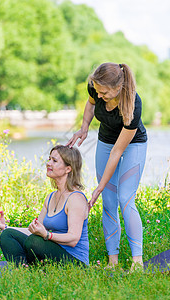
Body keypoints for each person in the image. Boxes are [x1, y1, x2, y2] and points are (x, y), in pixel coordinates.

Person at [67, 62, 147, 270]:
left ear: (118, 88)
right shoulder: (96, 87)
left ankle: (137, 261)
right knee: (108, 201)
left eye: (104, 92)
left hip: (132, 145)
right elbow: (91, 103)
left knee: (125, 198)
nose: (99, 95)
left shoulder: (133, 104)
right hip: (106, 140)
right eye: (97, 90)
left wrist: (99, 186)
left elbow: (117, 152)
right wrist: (84, 128)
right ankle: (113, 261)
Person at [0, 145, 89, 266]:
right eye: (49, 159)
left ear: (68, 169)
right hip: (52, 253)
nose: (48, 163)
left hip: (75, 262)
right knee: (7, 235)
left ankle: (33, 269)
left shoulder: (76, 199)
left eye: (54, 161)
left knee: (34, 241)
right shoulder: (50, 197)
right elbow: (35, 231)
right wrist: (5, 227)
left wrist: (47, 235)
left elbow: (73, 239)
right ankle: (23, 271)